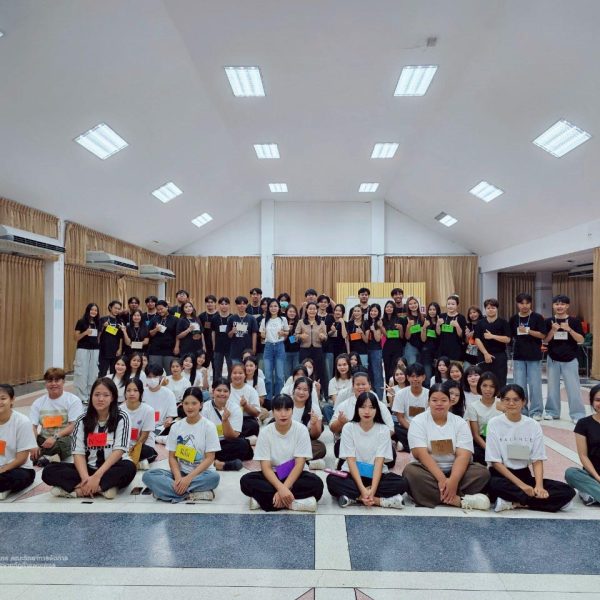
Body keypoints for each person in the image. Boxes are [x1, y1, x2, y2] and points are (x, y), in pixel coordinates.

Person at [486, 384, 575, 512]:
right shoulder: (494, 423)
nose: (511, 403)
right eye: (507, 399)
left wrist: (539, 486)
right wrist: (522, 486)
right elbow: (495, 462)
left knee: (567, 490)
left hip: (524, 474)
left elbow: (537, 459)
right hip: (502, 475)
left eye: (516, 400)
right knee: (494, 485)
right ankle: (548, 503)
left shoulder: (533, 425)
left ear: (524, 402)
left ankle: (515, 502)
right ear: (501, 401)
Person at [42, 378, 137, 499]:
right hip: (87, 469)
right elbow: (78, 453)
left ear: (112, 398)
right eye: (97, 395)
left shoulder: (122, 417)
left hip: (112, 467)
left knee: (129, 468)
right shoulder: (82, 420)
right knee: (49, 471)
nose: (100, 399)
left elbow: (119, 450)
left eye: (106, 395)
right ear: (91, 396)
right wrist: (85, 478)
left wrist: (97, 477)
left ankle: (79, 490)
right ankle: (101, 488)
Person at [403, 383, 491, 509]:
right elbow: (421, 454)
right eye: (434, 400)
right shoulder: (418, 421)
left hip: (456, 471)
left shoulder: (459, 422)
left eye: (444, 400)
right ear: (428, 402)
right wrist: (443, 480)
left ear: (450, 402)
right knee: (410, 473)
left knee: (482, 473)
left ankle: (434, 496)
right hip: (427, 471)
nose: (439, 404)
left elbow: (463, 455)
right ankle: (459, 500)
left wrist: (453, 481)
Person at [239, 394, 324, 512]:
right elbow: (266, 467)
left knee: (317, 484)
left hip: (295, 474)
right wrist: (281, 489)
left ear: (292, 411)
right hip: (273, 474)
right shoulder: (265, 432)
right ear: (273, 412)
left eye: (287, 409)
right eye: (278, 410)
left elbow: (299, 464)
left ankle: (264, 500)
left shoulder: (301, 430)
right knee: (246, 481)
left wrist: (284, 488)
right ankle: (293, 503)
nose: (283, 414)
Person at [327, 391, 407, 509]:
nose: (367, 411)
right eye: (363, 407)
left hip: (376, 476)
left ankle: (355, 498)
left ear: (376, 410)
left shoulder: (383, 430)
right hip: (352, 475)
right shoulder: (349, 428)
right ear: (357, 409)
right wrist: (363, 490)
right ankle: (378, 500)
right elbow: (351, 461)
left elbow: (379, 462)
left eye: (371, 407)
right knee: (332, 480)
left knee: (402, 483)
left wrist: (372, 490)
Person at [143, 387, 221, 502]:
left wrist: (188, 479)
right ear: (182, 404)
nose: (190, 407)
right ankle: (192, 494)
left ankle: (167, 492)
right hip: (181, 472)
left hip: (202, 474)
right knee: (148, 475)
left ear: (201, 405)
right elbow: (172, 457)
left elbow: (210, 458)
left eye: (194, 403)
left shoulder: (209, 426)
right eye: (186, 403)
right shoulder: (176, 426)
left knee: (214, 478)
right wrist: (178, 477)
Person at [330, 372, 395, 467]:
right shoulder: (344, 405)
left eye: (363, 384)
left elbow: (391, 428)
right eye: (357, 384)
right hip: (352, 445)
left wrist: (373, 440)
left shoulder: (380, 405)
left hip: (375, 444)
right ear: (353, 386)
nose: (361, 387)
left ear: (370, 385)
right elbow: (332, 428)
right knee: (338, 447)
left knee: (391, 456)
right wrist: (340, 422)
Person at [544, 294, 586, 422]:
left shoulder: (574, 321)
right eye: (557, 304)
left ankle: (578, 414)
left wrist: (569, 330)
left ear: (567, 306)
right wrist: (553, 331)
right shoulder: (549, 321)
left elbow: (581, 340)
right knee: (552, 388)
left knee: (574, 388)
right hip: (553, 359)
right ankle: (552, 412)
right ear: (553, 306)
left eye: (562, 304)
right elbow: (545, 341)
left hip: (570, 359)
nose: (559, 306)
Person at [30, 368, 83, 467]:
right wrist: (33, 445)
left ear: (63, 382)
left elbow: (73, 426)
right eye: (50, 381)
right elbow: (32, 427)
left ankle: (44, 456)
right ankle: (46, 456)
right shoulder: (38, 402)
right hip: (44, 439)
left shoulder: (73, 400)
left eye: (57, 380)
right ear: (45, 383)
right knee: (24, 442)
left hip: (64, 438)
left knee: (61, 444)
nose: (53, 384)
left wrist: (55, 437)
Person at [509, 293, 547, 420]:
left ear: (531, 303)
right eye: (521, 303)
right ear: (517, 304)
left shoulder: (537, 317)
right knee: (519, 385)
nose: (524, 306)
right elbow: (510, 336)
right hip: (518, 356)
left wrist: (528, 331)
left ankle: (536, 411)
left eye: (527, 303)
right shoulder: (514, 319)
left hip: (534, 356)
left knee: (535, 385)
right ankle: (522, 410)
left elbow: (543, 335)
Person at [202, 379, 253, 471]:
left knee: (243, 445)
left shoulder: (235, 408)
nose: (222, 394)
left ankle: (210, 461)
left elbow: (232, 436)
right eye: (219, 390)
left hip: (226, 443)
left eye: (225, 391)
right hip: (208, 444)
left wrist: (225, 421)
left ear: (229, 393)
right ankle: (218, 464)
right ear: (213, 391)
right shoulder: (205, 407)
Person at [565, 384, 600, 506]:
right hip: (592, 475)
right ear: (592, 402)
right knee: (571, 473)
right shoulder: (583, 424)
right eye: (598, 400)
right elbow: (583, 456)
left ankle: (590, 493)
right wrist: (598, 478)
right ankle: (591, 491)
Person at [0, 384, 37, 500]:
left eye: (3, 398)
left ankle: (4, 487)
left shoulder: (22, 422)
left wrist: (2, 470)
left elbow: (21, 458)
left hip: (18, 468)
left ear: (12, 400)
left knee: (17, 477)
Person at [120, 378, 157, 469]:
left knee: (148, 452)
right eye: (128, 390)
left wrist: (133, 450)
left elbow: (144, 436)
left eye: (135, 390)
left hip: (141, 445)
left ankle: (130, 463)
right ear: (125, 393)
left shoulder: (148, 410)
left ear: (141, 393)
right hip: (124, 445)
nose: (132, 393)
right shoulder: (119, 410)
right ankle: (137, 464)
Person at [465, 372, 502, 465]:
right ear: (479, 387)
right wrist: (489, 449)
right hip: (482, 441)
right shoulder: (473, 406)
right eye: (484, 386)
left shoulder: (501, 403)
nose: (488, 389)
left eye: (492, 386)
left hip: (500, 440)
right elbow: (476, 435)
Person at [474, 298, 511, 387]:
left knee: (500, 381)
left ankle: (500, 396)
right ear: (485, 309)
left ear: (497, 309)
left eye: (493, 308)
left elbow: (508, 339)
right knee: (484, 380)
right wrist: (486, 353)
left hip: (499, 355)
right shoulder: (480, 323)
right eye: (488, 308)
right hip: (483, 355)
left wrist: (492, 336)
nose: (490, 310)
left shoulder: (503, 322)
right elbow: (477, 339)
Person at [392, 363, 428, 452]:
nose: (415, 379)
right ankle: (417, 447)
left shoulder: (430, 394)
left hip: (424, 428)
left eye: (418, 376)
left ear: (424, 377)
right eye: (412, 376)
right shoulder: (400, 394)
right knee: (394, 428)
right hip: (407, 427)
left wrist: (421, 430)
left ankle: (405, 445)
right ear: (408, 377)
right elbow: (400, 417)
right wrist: (412, 429)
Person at [291, 377, 326, 468]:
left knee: (320, 447)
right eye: (298, 388)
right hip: (286, 440)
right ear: (294, 390)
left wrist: (314, 424)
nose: (301, 392)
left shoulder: (314, 408)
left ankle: (291, 463)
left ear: (310, 393)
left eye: (305, 390)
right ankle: (305, 463)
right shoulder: (287, 404)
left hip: (303, 442)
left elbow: (315, 436)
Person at [260, 298, 289, 403]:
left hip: (280, 346)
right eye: (271, 306)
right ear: (268, 308)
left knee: (280, 376)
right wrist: (263, 334)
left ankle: (278, 398)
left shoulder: (283, 319)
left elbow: (287, 332)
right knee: (268, 376)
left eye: (275, 306)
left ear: (279, 308)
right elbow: (262, 334)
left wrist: (283, 333)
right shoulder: (264, 320)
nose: (273, 308)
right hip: (268, 347)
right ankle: (268, 399)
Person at [143, 363, 178, 443]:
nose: (152, 379)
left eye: (155, 377)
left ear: (161, 377)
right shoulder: (142, 392)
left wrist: (168, 421)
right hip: (144, 428)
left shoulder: (169, 393)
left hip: (161, 428)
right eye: (149, 377)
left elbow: (170, 416)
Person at [73, 302, 101, 401]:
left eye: (96, 310)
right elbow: (75, 338)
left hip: (95, 350)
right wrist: (85, 333)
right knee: (82, 373)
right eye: (92, 309)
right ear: (88, 310)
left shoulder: (98, 323)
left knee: (93, 373)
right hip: (83, 350)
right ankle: (81, 396)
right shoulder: (81, 322)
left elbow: (98, 337)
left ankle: (90, 395)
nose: (94, 312)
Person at [295, 301, 327, 385]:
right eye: (310, 309)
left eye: (314, 309)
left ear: (317, 310)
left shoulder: (321, 323)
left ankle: (319, 389)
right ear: (307, 310)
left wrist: (323, 337)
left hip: (318, 349)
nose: (312, 311)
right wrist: (300, 336)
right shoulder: (301, 322)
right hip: (304, 350)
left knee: (319, 370)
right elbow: (294, 337)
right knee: (304, 370)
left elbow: (326, 337)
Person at [228, 363, 260, 439]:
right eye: (234, 373)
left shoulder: (251, 390)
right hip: (229, 419)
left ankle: (238, 438)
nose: (237, 375)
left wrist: (246, 406)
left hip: (245, 419)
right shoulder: (226, 389)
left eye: (240, 373)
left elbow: (256, 413)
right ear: (231, 375)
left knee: (253, 425)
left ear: (245, 375)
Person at [147, 300, 178, 372]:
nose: (160, 311)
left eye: (161, 309)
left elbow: (177, 335)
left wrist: (177, 347)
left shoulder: (175, 319)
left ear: (167, 307)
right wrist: (156, 329)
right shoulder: (154, 319)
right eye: (158, 310)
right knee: (155, 371)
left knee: (170, 371)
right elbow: (149, 333)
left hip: (170, 350)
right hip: (155, 350)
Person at [227, 296, 258, 364]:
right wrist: (232, 331)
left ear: (246, 305)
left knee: (248, 368)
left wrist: (254, 348)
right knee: (237, 369)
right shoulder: (231, 318)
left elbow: (254, 334)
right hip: (235, 351)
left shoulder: (251, 318)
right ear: (236, 305)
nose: (242, 306)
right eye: (239, 304)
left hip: (248, 350)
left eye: (244, 304)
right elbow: (229, 335)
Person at [364, 304, 385, 403]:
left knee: (377, 374)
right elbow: (365, 339)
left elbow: (377, 339)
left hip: (376, 350)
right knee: (368, 373)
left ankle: (379, 398)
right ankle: (369, 396)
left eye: (375, 311)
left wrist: (374, 330)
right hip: (366, 350)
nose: (373, 313)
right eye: (371, 311)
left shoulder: (379, 322)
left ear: (378, 312)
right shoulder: (366, 322)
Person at [98, 300, 124, 376]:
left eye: (119, 309)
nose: (117, 310)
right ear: (110, 307)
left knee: (114, 372)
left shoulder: (120, 321)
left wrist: (120, 349)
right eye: (115, 308)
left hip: (115, 350)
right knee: (102, 372)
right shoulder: (103, 319)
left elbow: (121, 337)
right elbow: (98, 335)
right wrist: (103, 327)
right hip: (104, 350)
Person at [437, 295, 467, 361]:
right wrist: (438, 325)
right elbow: (438, 333)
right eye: (448, 304)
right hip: (443, 348)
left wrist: (457, 326)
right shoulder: (442, 316)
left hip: (455, 349)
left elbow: (461, 335)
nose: (450, 306)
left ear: (457, 305)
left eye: (453, 304)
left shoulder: (461, 317)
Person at [382, 300, 406, 383]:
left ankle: (396, 386)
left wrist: (401, 328)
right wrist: (381, 327)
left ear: (394, 309)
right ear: (385, 309)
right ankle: (388, 387)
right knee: (387, 369)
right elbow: (386, 335)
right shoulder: (382, 320)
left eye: (391, 307)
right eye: (387, 307)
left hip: (397, 346)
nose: (389, 308)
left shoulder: (400, 320)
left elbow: (402, 336)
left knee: (395, 368)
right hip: (387, 347)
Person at [325, 354, 353, 423]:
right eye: (339, 365)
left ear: (349, 365)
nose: (342, 367)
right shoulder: (332, 381)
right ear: (336, 367)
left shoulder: (354, 380)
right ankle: (335, 426)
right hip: (338, 409)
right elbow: (336, 402)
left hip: (352, 407)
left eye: (344, 364)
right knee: (326, 408)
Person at [211, 296, 233, 380]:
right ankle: (218, 385)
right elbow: (213, 332)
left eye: (226, 304)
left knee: (231, 368)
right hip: (218, 347)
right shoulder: (215, 318)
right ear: (219, 305)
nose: (224, 306)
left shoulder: (232, 317)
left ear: (229, 305)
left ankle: (230, 384)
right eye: (222, 304)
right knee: (217, 368)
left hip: (230, 347)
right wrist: (214, 345)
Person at [420, 302, 441, 383]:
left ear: (437, 310)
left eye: (434, 309)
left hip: (438, 351)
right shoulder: (424, 321)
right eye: (430, 309)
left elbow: (440, 335)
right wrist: (424, 327)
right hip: (427, 352)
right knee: (427, 374)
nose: (432, 311)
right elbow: (423, 339)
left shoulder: (441, 321)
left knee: (437, 374)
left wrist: (438, 324)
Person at [199, 295, 218, 370]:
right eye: (208, 302)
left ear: (215, 303)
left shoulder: (219, 315)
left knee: (216, 366)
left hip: (216, 345)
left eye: (211, 302)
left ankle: (215, 378)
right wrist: (203, 345)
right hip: (205, 345)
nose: (209, 304)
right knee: (203, 366)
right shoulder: (201, 316)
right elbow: (200, 332)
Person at [404, 296, 424, 366]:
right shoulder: (405, 318)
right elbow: (407, 337)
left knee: (421, 367)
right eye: (410, 304)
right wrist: (408, 326)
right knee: (412, 367)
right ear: (408, 306)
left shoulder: (423, 317)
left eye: (415, 303)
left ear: (418, 304)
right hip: (411, 346)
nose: (413, 305)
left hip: (422, 346)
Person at [283, 304, 300, 378]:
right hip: (285, 351)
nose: (292, 313)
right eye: (290, 311)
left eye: (294, 312)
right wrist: (287, 330)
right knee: (287, 374)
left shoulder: (299, 323)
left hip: (297, 351)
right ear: (286, 312)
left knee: (296, 373)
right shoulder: (282, 322)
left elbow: (298, 338)